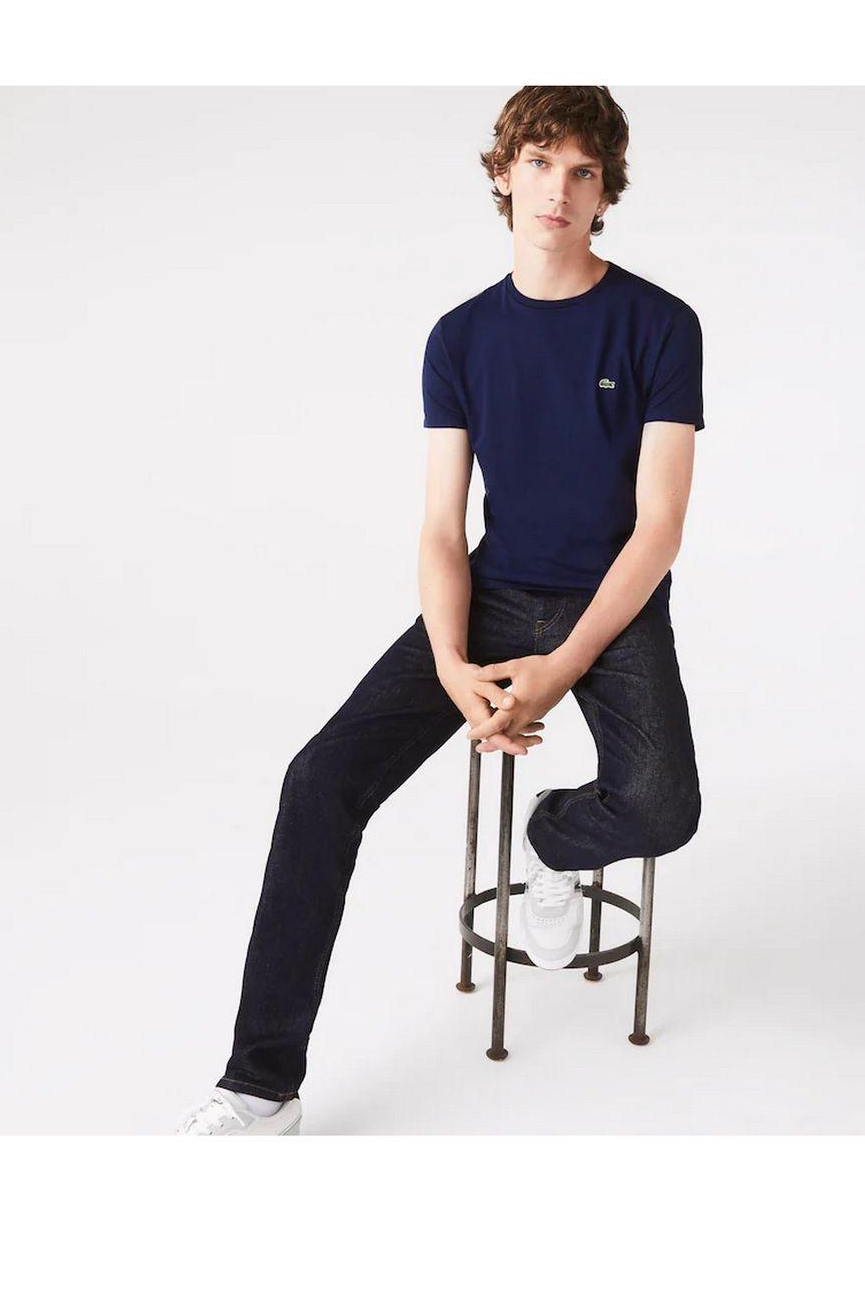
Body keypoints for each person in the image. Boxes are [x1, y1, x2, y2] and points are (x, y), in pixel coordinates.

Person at [175, 85, 704, 1135]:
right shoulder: (460, 338)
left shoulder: (660, 325)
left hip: (616, 602)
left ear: (607, 193)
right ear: (503, 172)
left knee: (663, 807)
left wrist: (563, 666)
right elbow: (438, 526)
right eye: (539, 161)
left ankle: (553, 841)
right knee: (319, 781)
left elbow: (658, 530)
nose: (558, 188)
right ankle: (259, 1085)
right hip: (495, 593)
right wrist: (455, 661)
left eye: (583, 170)